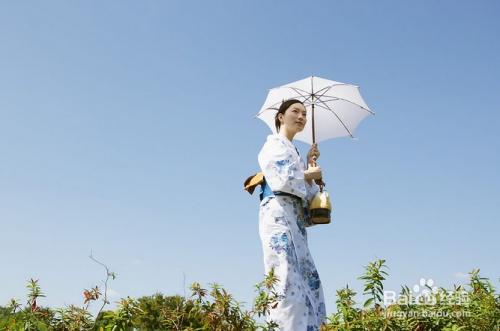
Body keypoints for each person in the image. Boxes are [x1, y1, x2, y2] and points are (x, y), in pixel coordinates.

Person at [258, 99, 326, 330]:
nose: (301, 117)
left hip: (293, 219)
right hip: (278, 216)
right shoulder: (274, 144)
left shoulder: (293, 150)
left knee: (303, 279)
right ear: (280, 117)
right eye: (295, 112)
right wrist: (307, 174)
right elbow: (281, 179)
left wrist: (308, 165)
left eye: (304, 114)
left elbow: (304, 192)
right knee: (284, 278)